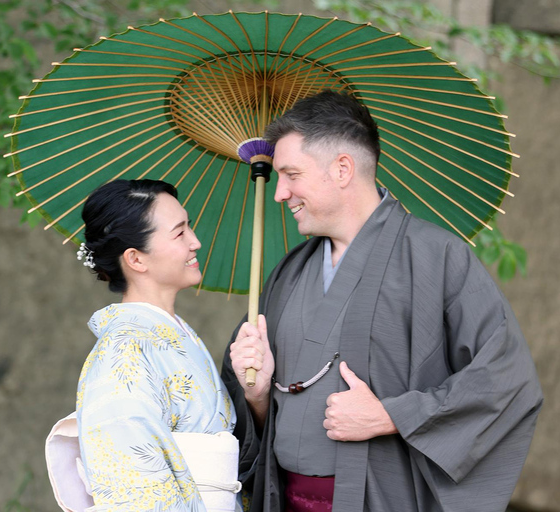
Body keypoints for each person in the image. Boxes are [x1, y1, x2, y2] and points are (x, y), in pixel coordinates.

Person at [222, 91, 543, 512]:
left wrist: (391, 417)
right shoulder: (287, 273)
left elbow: (506, 379)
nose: (281, 193)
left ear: (342, 169)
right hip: (283, 499)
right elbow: (253, 412)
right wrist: (258, 396)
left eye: (292, 174)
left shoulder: (436, 257)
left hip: (380, 497)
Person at [72, 179, 238, 511]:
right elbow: (134, 486)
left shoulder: (173, 335)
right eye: (179, 233)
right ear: (136, 259)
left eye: (189, 227)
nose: (196, 242)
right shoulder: (123, 352)